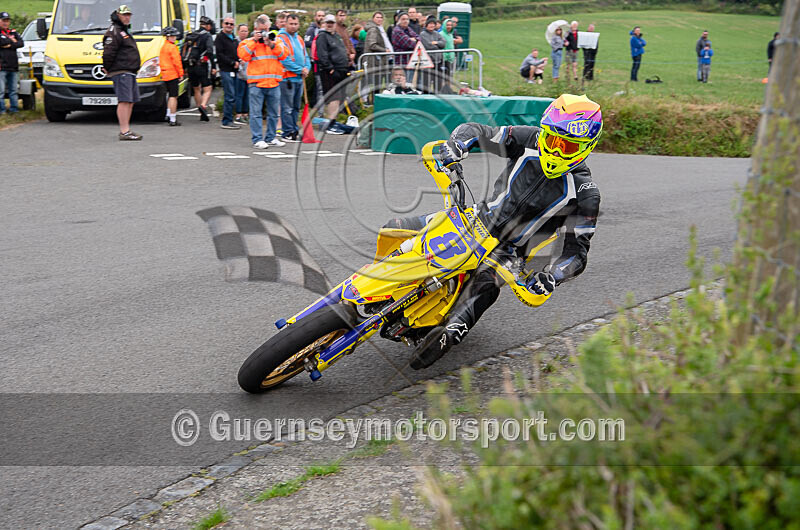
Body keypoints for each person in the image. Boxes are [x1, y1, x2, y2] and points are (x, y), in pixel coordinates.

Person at [383, 94, 602, 369]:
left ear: (585, 147)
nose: (555, 150)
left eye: (566, 145)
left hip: (509, 251)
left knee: (487, 284)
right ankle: (379, 282)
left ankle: (449, 332)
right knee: (395, 228)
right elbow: (480, 131)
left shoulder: (585, 193)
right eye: (551, 139)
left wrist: (553, 276)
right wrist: (458, 145)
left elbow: (577, 254)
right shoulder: (529, 139)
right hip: (475, 218)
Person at [238, 14, 288, 148]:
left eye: (267, 29)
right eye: (262, 30)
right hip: (257, 83)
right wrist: (255, 40)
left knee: (273, 113)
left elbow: (284, 55)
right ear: (255, 29)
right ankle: (257, 139)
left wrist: (271, 44)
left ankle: (271, 137)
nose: (265, 33)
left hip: (274, 82)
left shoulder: (276, 40)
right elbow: (243, 55)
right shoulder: (247, 42)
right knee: (256, 113)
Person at [102, 6, 142, 140]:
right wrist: (107, 67)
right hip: (121, 70)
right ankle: (124, 131)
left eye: (129, 15)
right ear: (118, 15)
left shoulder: (123, 30)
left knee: (130, 101)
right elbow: (108, 52)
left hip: (129, 71)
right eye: (124, 15)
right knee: (124, 100)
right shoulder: (114, 31)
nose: (127, 17)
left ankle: (127, 129)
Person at [278, 14, 310, 142]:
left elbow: (305, 56)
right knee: (287, 107)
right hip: (287, 78)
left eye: (295, 24)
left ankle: (294, 129)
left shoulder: (300, 39)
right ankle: (287, 131)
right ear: (285, 24)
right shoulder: (281, 38)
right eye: (291, 24)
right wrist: (299, 69)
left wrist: (307, 67)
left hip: (299, 78)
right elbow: (284, 59)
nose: (293, 26)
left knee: (296, 106)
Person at [316, 14, 350, 134]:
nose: (330, 25)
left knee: (339, 97)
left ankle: (333, 121)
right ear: (324, 23)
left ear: (335, 24)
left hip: (341, 70)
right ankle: (330, 124)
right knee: (333, 98)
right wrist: (330, 69)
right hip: (330, 72)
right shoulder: (322, 36)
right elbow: (322, 55)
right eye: (328, 23)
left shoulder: (336, 36)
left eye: (332, 23)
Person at [186, 16, 217, 121]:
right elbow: (210, 51)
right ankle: (203, 106)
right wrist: (213, 66)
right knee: (208, 88)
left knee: (196, 88)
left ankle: (200, 111)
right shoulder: (207, 36)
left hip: (190, 66)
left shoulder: (192, 35)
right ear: (208, 26)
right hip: (201, 65)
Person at [215, 16, 241, 129]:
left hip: (234, 70)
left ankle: (229, 119)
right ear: (222, 24)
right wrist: (232, 62)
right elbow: (220, 55)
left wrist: (239, 61)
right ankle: (227, 121)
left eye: (231, 24)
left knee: (233, 95)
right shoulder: (220, 38)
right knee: (230, 96)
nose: (229, 26)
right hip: (226, 70)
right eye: (227, 23)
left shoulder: (233, 37)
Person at [0, 11, 23, 115]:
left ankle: (14, 110)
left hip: (13, 67)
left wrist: (9, 44)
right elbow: (1, 42)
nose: (6, 23)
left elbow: (21, 43)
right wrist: (12, 42)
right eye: (3, 20)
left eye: (7, 21)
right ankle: (2, 111)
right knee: (0, 92)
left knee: (13, 91)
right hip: (1, 67)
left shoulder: (13, 32)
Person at [159, 26, 183, 126]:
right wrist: (181, 74)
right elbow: (177, 62)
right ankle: (173, 119)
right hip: (172, 74)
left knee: (169, 96)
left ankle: (168, 115)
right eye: (172, 36)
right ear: (168, 37)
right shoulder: (173, 47)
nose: (174, 38)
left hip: (165, 74)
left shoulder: (164, 46)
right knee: (174, 96)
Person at [364, 11, 394, 89]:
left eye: (381, 17)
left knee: (382, 83)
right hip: (376, 61)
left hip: (382, 60)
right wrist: (385, 50)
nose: (379, 19)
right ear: (373, 19)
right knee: (377, 85)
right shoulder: (373, 29)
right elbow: (372, 45)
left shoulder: (380, 28)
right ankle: (374, 100)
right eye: (377, 17)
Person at [305, 10, 326, 111]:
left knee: (321, 83)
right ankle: (314, 103)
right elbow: (307, 42)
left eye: (323, 16)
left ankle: (317, 102)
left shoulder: (325, 28)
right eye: (319, 16)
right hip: (314, 60)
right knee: (318, 83)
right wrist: (317, 43)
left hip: (323, 60)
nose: (321, 17)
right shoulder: (311, 29)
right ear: (315, 17)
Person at [419, 16, 444, 92]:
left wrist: (436, 43)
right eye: (430, 23)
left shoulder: (437, 34)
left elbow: (443, 43)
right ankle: (426, 96)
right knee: (426, 81)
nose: (432, 25)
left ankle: (438, 94)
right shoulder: (422, 34)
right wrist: (438, 46)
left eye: (433, 24)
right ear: (426, 25)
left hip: (438, 61)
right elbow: (428, 45)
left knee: (438, 80)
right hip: (427, 61)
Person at [391, 11, 419, 78]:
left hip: (409, 61)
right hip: (401, 62)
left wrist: (414, 39)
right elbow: (409, 44)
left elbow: (419, 39)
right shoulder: (397, 30)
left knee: (410, 83)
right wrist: (412, 40)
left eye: (407, 19)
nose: (405, 21)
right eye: (403, 19)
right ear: (398, 20)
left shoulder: (408, 29)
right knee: (403, 83)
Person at [235, 23, 250, 124]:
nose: (244, 33)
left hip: (249, 74)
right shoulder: (235, 42)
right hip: (239, 73)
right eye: (242, 31)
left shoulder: (250, 42)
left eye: (245, 31)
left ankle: (246, 114)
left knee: (247, 95)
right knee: (239, 95)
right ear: (238, 32)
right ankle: (238, 115)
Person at [440, 18, 457, 85]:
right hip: (444, 58)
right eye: (447, 25)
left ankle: (448, 89)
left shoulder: (451, 34)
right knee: (444, 76)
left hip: (450, 58)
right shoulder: (441, 34)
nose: (449, 26)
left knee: (449, 76)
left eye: (450, 25)